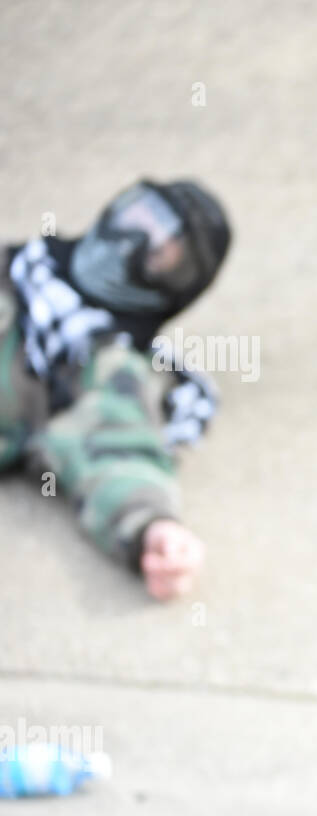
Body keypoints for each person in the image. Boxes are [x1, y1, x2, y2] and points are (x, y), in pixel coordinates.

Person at [0, 179, 231, 600]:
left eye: (154, 250)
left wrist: (154, 527)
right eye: (133, 221)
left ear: (171, 289)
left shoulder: (101, 364)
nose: (122, 244)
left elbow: (117, 451)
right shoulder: (19, 265)